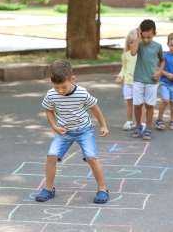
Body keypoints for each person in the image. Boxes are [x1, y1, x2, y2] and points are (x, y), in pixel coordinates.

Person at [35, 60, 109, 204]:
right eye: (57, 88)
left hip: (84, 130)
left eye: (63, 87)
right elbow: (48, 110)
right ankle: (48, 189)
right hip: (64, 131)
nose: (60, 91)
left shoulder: (82, 93)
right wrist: (54, 126)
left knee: (91, 157)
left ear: (72, 79)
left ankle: (102, 189)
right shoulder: (51, 94)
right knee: (51, 156)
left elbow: (95, 108)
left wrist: (103, 125)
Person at [131, 19, 164, 140]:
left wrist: (159, 71)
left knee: (150, 105)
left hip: (152, 81)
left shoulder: (158, 47)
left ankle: (148, 128)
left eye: (148, 37)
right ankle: (138, 125)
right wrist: (138, 37)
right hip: (138, 79)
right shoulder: (138, 44)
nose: (146, 40)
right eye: (143, 37)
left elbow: (162, 60)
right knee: (137, 104)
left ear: (154, 33)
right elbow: (133, 53)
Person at [155, 33, 173, 130]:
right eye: (172, 45)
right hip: (165, 83)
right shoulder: (164, 56)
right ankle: (159, 119)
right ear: (168, 44)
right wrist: (167, 74)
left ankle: (172, 121)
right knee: (165, 100)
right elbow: (159, 68)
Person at [116, 29, 138, 130]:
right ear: (128, 44)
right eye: (131, 42)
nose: (133, 44)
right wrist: (120, 76)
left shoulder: (141, 56)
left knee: (138, 104)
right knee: (129, 103)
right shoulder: (125, 55)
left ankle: (139, 122)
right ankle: (129, 121)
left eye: (135, 42)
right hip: (127, 83)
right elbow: (123, 68)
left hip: (138, 83)